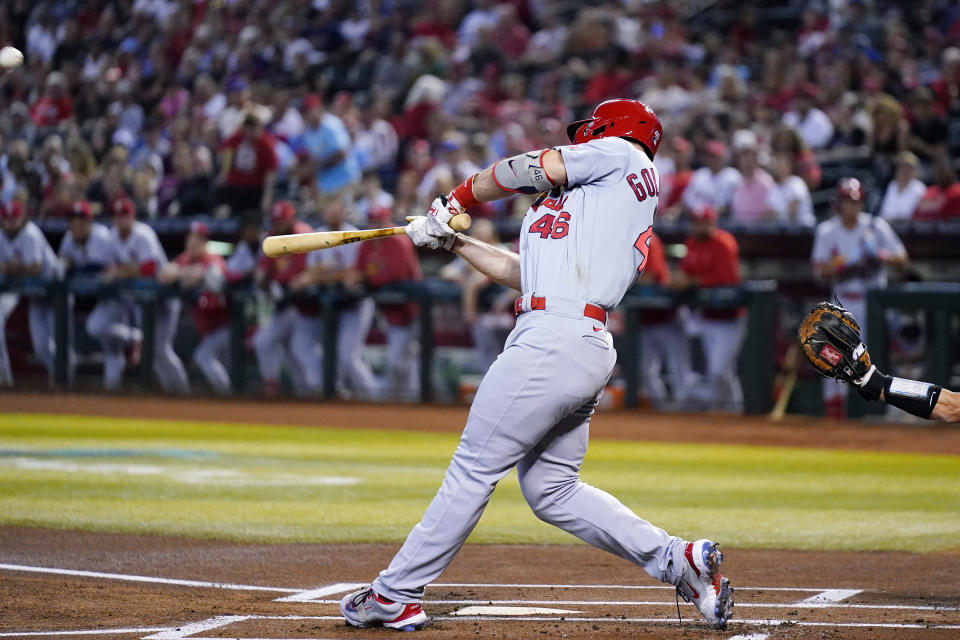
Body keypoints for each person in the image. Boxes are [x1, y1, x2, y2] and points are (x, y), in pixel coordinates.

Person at [339, 99, 733, 631]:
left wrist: (454, 197)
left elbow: (533, 167)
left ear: (614, 128)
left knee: (474, 468)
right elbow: (524, 273)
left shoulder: (621, 155)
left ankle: (395, 592)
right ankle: (676, 560)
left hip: (554, 337)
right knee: (553, 490)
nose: (582, 139)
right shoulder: (596, 199)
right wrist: (453, 240)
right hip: (574, 338)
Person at [811, 178, 908, 418]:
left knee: (873, 363)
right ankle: (835, 418)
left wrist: (882, 255)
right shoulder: (827, 230)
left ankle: (877, 416)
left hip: (872, 303)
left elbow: (903, 262)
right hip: (843, 301)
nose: (850, 207)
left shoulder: (876, 227)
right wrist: (849, 259)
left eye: (854, 202)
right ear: (838, 203)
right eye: (845, 201)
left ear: (862, 203)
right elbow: (820, 271)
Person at [87, 196, 190, 393]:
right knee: (153, 352)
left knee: (161, 351)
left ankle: (183, 394)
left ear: (133, 216)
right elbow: (108, 268)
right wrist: (124, 270)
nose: (120, 220)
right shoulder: (112, 237)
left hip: (163, 299)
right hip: (142, 301)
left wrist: (121, 271)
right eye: (117, 216)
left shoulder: (143, 234)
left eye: (124, 215)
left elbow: (149, 268)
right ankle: (174, 394)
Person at [290, 198, 378, 399]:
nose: (332, 214)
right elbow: (309, 270)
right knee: (330, 351)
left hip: (356, 303)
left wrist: (316, 277)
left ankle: (374, 398)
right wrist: (314, 275)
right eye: (329, 210)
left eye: (336, 210)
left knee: (349, 356)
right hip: (329, 306)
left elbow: (349, 272)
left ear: (344, 212)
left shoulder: (353, 234)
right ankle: (332, 391)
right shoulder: (317, 235)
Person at [347, 206, 423, 401]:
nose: (376, 226)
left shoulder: (398, 240)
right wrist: (365, 276)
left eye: (379, 221)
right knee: (401, 360)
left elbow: (395, 275)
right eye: (372, 222)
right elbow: (359, 271)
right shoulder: (367, 243)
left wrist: (367, 277)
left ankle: (409, 402)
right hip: (387, 310)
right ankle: (406, 401)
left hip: (410, 309)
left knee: (403, 360)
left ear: (388, 220)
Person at [674, 206, 746, 410]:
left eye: (702, 222)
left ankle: (724, 412)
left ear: (711, 223)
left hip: (729, 319)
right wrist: (679, 278)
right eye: (695, 222)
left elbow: (727, 280)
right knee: (722, 372)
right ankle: (734, 411)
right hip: (706, 316)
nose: (698, 226)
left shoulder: (723, 243)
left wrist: (692, 281)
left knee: (718, 370)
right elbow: (686, 270)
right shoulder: (692, 242)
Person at [252, 201, 318, 397]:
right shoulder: (273, 237)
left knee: (298, 350)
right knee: (265, 343)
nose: (279, 227)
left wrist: (286, 287)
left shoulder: (303, 234)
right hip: (285, 305)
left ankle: (317, 392)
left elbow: (307, 274)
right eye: (276, 223)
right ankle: (274, 386)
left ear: (292, 219)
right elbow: (263, 271)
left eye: (282, 222)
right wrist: (266, 283)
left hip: (307, 305)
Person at [158, 222, 230, 394]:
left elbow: (214, 275)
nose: (192, 243)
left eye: (197, 239)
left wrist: (193, 273)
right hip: (209, 329)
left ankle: (229, 399)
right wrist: (189, 272)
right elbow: (163, 275)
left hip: (228, 327)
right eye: (190, 239)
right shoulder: (186, 259)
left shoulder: (214, 259)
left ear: (205, 242)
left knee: (204, 356)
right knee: (208, 358)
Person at [439, 218, 517, 374]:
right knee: (489, 358)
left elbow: (477, 281)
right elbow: (446, 272)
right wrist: (464, 278)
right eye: (476, 234)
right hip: (488, 314)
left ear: (492, 236)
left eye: (482, 234)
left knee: (506, 358)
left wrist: (470, 283)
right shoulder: (473, 254)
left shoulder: (503, 249)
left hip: (509, 313)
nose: (478, 236)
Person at [0, 200, 60, 384]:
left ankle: (67, 384)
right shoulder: (1, 235)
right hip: (34, 296)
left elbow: (33, 269)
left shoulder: (31, 234)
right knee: (41, 348)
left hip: (54, 293)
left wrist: (9, 268)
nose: (10, 223)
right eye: (6, 219)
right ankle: (6, 380)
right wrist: (16, 268)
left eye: (14, 219)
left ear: (23, 219)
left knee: (60, 345)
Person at [636, 231, 693, 406]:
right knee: (645, 370)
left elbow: (650, 277)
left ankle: (685, 412)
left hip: (667, 316)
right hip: (645, 319)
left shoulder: (648, 239)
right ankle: (662, 409)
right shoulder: (625, 238)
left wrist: (620, 281)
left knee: (679, 369)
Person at [58, 200, 113, 379]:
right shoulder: (69, 238)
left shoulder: (101, 237)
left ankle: (135, 337)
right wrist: (66, 265)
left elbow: (94, 270)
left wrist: (72, 267)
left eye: (81, 220)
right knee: (111, 348)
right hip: (92, 299)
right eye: (72, 220)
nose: (76, 224)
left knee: (97, 328)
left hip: (115, 297)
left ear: (90, 221)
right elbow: (61, 267)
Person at [216, 114, 278, 216]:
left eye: (253, 127)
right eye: (248, 127)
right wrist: (224, 175)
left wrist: (267, 196)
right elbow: (227, 158)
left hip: (255, 190)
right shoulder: (234, 140)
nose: (250, 131)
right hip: (234, 188)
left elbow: (270, 172)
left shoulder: (266, 144)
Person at [681, 140, 741, 218]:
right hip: (700, 219)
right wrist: (699, 210)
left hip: (726, 220)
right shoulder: (699, 175)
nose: (712, 159)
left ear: (723, 157)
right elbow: (687, 198)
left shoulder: (733, 175)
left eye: (715, 156)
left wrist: (713, 211)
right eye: (709, 156)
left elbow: (733, 202)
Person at [766, 153, 816, 226]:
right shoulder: (774, 187)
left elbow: (792, 213)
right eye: (778, 166)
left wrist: (777, 214)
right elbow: (769, 213)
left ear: (789, 167)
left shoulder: (796, 182)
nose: (780, 169)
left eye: (783, 166)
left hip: (803, 230)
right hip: (783, 230)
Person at [878, 152, 926, 221]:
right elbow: (884, 211)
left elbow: (915, 215)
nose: (905, 171)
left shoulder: (919, 188)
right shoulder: (892, 185)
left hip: (908, 228)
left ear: (914, 171)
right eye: (902, 167)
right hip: (888, 224)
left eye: (908, 168)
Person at [913, 157, 960, 221]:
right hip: (925, 229)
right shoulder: (929, 191)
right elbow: (917, 213)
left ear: (951, 172)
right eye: (937, 171)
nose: (940, 175)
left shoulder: (957, 192)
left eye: (942, 171)